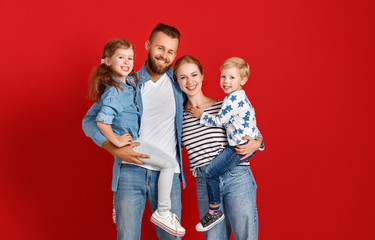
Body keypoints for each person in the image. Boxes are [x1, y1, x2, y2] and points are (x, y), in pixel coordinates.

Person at [82, 23, 185, 240]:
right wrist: (114, 148)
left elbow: (203, 107)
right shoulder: (126, 83)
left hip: (167, 176)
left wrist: (256, 139)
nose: (164, 55)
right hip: (130, 172)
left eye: (170, 51)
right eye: (160, 48)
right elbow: (90, 121)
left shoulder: (179, 85)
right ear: (148, 46)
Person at [173, 55, 263, 240]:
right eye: (183, 77)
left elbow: (251, 130)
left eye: (194, 74)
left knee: (246, 236)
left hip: (236, 177)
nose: (190, 81)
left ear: (202, 76)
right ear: (177, 81)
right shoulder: (178, 119)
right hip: (205, 182)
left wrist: (258, 143)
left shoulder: (224, 106)